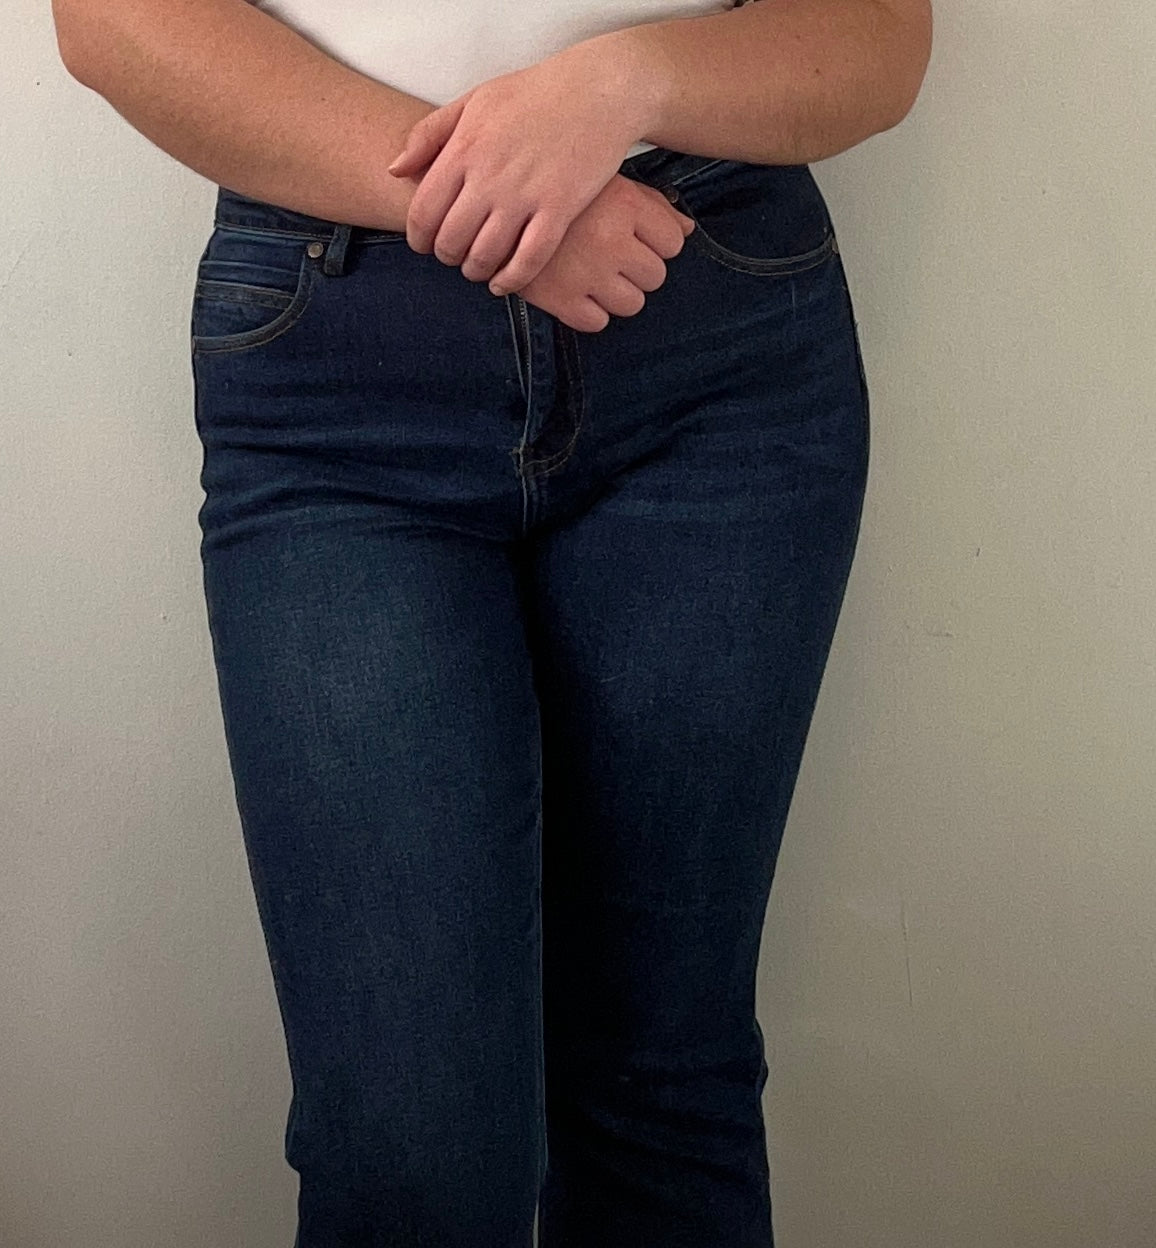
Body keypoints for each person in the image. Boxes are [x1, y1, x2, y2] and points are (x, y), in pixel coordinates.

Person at [53, 0, 931, 1242]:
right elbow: (110, 20)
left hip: (705, 339)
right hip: (341, 383)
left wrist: (618, 87)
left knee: (661, 1087)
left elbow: (879, 38)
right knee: (410, 1146)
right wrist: (490, 203)